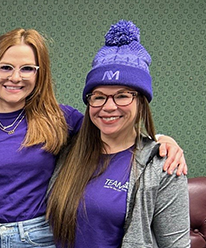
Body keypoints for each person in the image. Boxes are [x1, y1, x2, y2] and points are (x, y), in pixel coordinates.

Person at [0, 28, 186, 247]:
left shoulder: (59, 119)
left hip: (37, 239)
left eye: (27, 69)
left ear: (39, 75)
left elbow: (111, 130)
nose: (15, 77)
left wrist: (161, 141)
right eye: (5, 67)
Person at [46, 20, 190, 247]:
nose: (109, 106)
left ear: (141, 102)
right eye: (99, 96)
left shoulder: (164, 167)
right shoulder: (67, 150)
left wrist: (161, 140)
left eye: (123, 96)